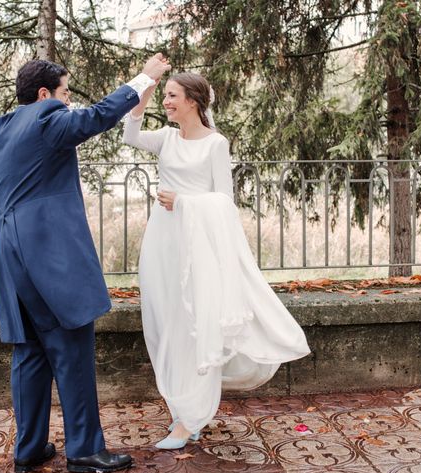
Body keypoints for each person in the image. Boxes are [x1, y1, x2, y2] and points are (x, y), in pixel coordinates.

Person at [0, 54, 171, 473]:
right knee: (70, 347)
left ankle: (28, 449)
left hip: (7, 254)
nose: (69, 102)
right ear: (45, 94)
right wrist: (144, 79)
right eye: (66, 93)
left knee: (30, 353)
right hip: (44, 254)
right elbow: (97, 117)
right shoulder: (47, 118)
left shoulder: (0, 132)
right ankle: (85, 449)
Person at [122, 72, 311, 449]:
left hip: (199, 246)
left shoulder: (216, 144)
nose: (167, 103)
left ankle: (189, 418)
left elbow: (225, 200)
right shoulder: (167, 138)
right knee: (164, 324)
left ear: (192, 100)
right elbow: (129, 134)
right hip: (162, 242)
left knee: (194, 325)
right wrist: (146, 86)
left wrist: (185, 202)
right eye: (165, 96)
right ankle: (180, 406)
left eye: (173, 96)